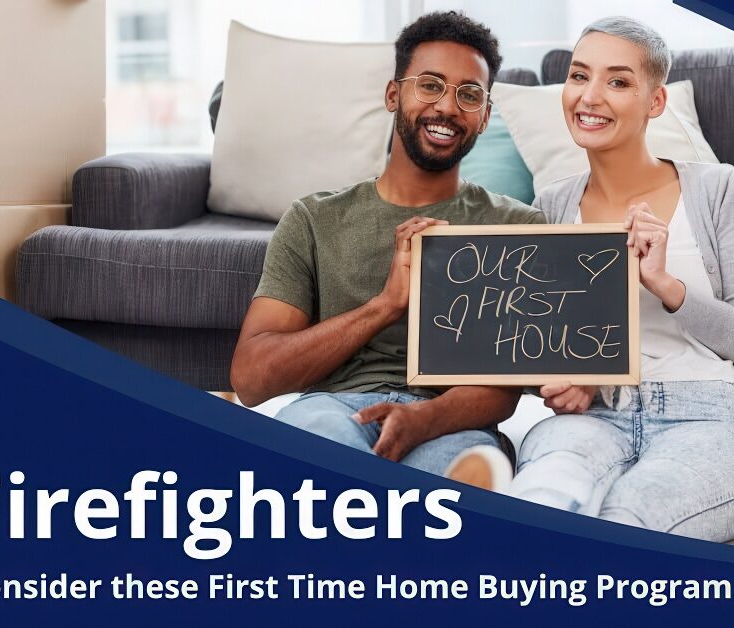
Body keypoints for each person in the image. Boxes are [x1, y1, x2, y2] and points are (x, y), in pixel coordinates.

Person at [447, 16, 734, 542]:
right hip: (594, 416)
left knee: (631, 515)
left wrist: (665, 284)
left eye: (618, 81)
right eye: (579, 76)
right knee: (547, 493)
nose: (590, 96)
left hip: (708, 412)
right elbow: (541, 340)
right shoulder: (553, 203)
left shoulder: (717, 189)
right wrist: (561, 381)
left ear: (655, 102)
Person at [230, 11, 544, 475]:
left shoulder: (517, 227)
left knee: (460, 474)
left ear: (485, 117)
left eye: (469, 94)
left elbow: (509, 383)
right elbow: (251, 379)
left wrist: (424, 418)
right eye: (431, 84)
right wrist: (386, 305)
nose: (448, 107)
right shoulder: (314, 219)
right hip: (335, 409)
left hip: (449, 421)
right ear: (394, 94)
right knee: (318, 441)